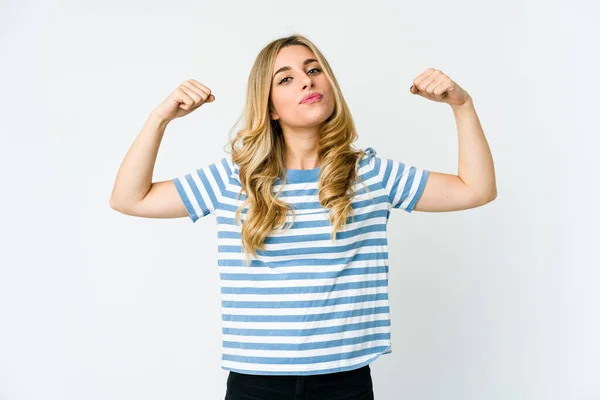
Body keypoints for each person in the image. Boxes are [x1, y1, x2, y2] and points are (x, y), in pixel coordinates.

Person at [109, 34, 496, 400]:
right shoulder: (233, 180)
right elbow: (129, 199)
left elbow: (476, 189)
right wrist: (159, 118)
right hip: (255, 385)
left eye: (314, 70)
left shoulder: (371, 175)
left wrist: (462, 106)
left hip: (345, 383)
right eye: (287, 78)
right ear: (271, 108)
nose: (307, 83)